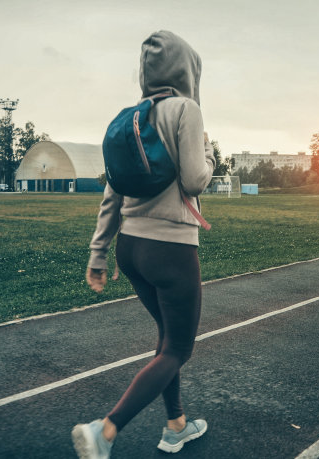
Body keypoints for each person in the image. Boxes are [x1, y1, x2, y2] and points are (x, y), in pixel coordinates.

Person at [72, 30, 215, 459]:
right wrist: (208, 155)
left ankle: (176, 426)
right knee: (178, 348)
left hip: (130, 249)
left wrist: (98, 253)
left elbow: (111, 193)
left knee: (167, 337)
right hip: (169, 249)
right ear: (188, 70)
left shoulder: (131, 118)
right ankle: (105, 430)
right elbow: (194, 180)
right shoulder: (186, 110)